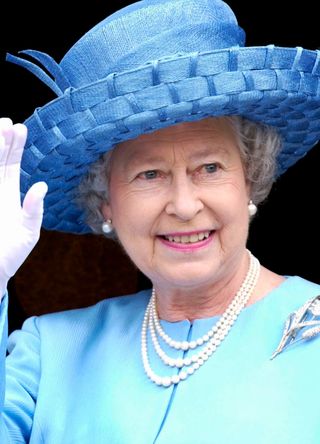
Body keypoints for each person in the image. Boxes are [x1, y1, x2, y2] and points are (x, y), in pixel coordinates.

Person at [1, 0, 320, 442]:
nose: (185, 206)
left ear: (250, 178)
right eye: (149, 174)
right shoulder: (48, 352)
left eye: (209, 168)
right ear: (105, 201)